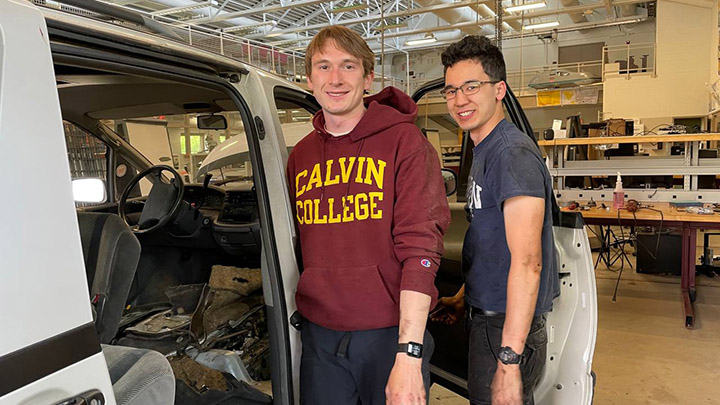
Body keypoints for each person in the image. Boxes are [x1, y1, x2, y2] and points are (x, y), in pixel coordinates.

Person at [286, 26, 450, 404]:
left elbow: (421, 248)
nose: (336, 79)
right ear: (309, 80)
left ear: (368, 77)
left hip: (388, 332)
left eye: (348, 66)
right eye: (323, 67)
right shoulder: (301, 156)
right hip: (320, 335)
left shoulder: (405, 143)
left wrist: (409, 355)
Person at [431, 36, 560, 405]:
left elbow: (527, 262)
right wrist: (462, 297)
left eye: (472, 87)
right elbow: (493, 245)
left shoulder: (511, 155)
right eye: (451, 90)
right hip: (490, 318)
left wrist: (508, 360)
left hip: (505, 328)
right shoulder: (485, 149)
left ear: (499, 89)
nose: (459, 100)